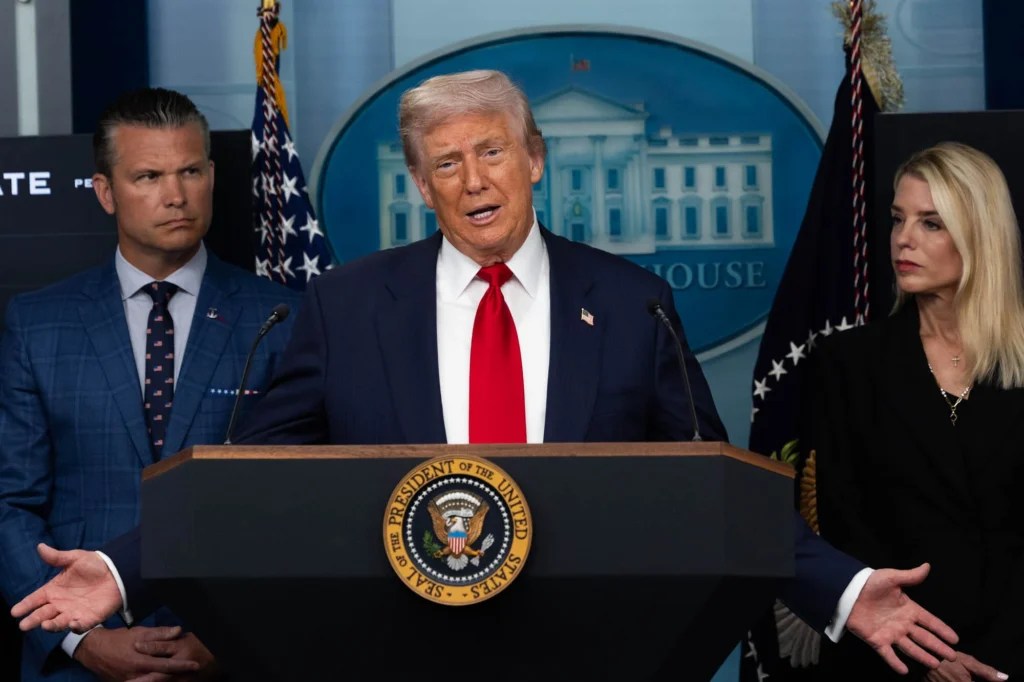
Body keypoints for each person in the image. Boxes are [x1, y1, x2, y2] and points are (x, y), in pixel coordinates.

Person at [10, 70, 967, 677]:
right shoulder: (346, 308)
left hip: (588, 654)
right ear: (421, 187)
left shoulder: (629, 301)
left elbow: (714, 484)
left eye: (491, 152)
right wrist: (116, 567)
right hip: (396, 654)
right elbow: (247, 481)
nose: (473, 180)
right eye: (445, 163)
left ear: (535, 159)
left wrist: (840, 590)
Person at [0, 87, 301, 681]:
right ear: (106, 192)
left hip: (232, 654)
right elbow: (10, 503)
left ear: (213, 175)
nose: (175, 195)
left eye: (190, 171)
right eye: (148, 176)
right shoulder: (38, 324)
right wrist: (82, 640)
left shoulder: (284, 319)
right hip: (78, 658)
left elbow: (297, 504)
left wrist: (229, 640)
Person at [808, 142, 1019, 681]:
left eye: (932, 223)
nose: (903, 239)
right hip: (895, 656)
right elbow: (845, 527)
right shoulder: (847, 363)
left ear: (980, 234)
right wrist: (931, 658)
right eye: (898, 219)